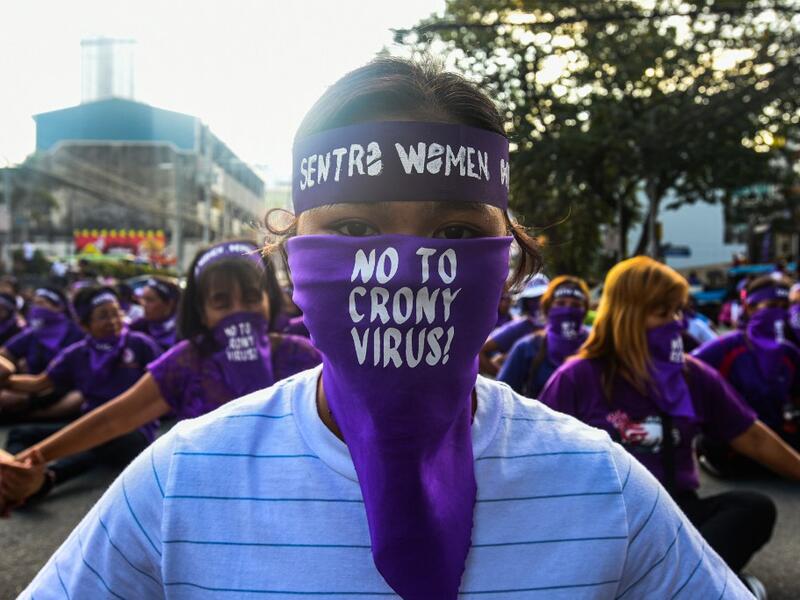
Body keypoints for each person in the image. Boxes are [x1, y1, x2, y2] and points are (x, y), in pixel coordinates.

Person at [19, 58, 749, 599]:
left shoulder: (601, 486)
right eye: (355, 227)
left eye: (457, 231)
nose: (402, 267)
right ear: (292, 257)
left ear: (509, 263)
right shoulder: (181, 482)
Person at [540, 257, 800, 593]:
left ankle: (681, 582)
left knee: (752, 508)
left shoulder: (692, 375)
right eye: (662, 313)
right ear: (627, 314)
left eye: (678, 312)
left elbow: (751, 436)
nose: (676, 323)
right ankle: (705, 583)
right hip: (605, 518)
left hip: (678, 511)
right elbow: (539, 458)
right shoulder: (577, 377)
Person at [0, 240, 321, 509]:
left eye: (251, 297)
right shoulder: (187, 362)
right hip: (209, 502)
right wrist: (27, 463)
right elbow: (113, 419)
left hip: (293, 500)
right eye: (221, 302)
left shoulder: (301, 356)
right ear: (202, 312)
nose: (238, 311)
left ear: (268, 300)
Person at [0, 286, 163, 504]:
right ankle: (15, 474)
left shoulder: (141, 344)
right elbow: (39, 383)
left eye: (116, 313)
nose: (113, 321)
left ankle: (49, 479)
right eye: (103, 316)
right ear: (85, 324)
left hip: (132, 430)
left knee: (108, 439)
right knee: (20, 434)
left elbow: (167, 384)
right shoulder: (76, 354)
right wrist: (6, 379)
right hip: (90, 423)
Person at [693, 276, 800, 475]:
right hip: (733, 437)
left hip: (773, 432)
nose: (778, 312)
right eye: (771, 305)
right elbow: (686, 375)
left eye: (784, 306)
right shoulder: (727, 346)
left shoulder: (790, 352)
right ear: (750, 308)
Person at [0, 287, 85, 419]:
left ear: (58, 307)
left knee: (76, 400)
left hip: (62, 389)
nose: (36, 308)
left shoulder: (76, 333)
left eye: (41, 304)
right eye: (34, 303)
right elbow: (5, 353)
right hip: (31, 385)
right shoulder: (34, 333)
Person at [497, 275, 589, 398]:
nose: (567, 310)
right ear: (547, 307)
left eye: (575, 306)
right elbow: (502, 397)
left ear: (585, 310)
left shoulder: (597, 348)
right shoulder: (526, 348)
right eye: (560, 303)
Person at [478, 273, 549, 375]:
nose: (539, 303)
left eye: (543, 298)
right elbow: (480, 351)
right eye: (533, 300)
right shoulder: (519, 327)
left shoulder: (562, 326)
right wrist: (505, 380)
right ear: (526, 303)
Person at [128, 276, 181, 350]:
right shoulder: (139, 325)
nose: (144, 304)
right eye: (143, 299)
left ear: (169, 304)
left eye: (150, 300)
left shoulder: (181, 333)